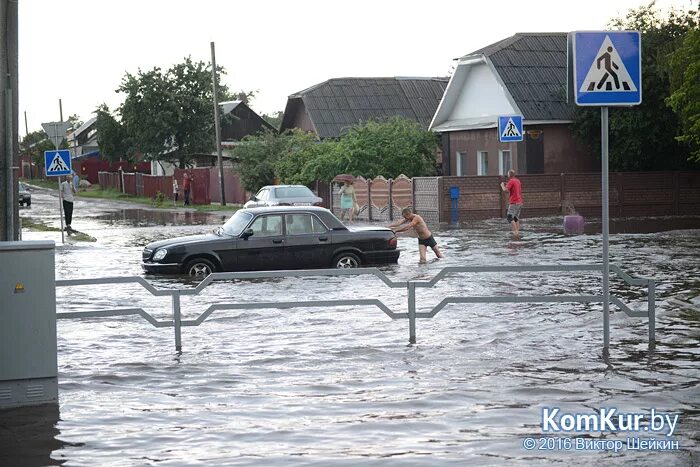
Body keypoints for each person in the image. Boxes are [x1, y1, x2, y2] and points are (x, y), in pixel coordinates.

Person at [500, 169, 523, 236]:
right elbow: (514, 187)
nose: (507, 175)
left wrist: (502, 186)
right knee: (516, 217)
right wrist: (507, 184)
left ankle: (515, 231)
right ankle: (517, 231)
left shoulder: (511, 181)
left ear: (509, 174)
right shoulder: (517, 180)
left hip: (514, 202)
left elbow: (506, 190)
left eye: (508, 174)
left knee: (509, 217)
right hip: (520, 202)